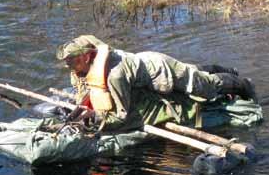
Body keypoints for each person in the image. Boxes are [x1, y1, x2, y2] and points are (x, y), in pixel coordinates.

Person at [56, 35, 257, 131]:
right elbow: (88, 92)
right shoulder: (84, 62)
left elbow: (122, 115)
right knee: (193, 72)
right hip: (143, 65)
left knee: (207, 87)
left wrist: (94, 118)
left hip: (160, 71)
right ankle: (227, 71)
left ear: (88, 56)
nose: (69, 66)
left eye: (72, 61)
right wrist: (80, 107)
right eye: (67, 62)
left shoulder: (114, 76)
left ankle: (243, 84)